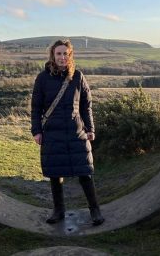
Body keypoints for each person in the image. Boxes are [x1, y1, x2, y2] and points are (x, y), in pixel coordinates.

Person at [30, 39, 105, 226]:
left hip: (76, 131)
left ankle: (95, 210)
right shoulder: (42, 78)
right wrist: (36, 131)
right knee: (55, 174)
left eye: (66, 54)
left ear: (70, 55)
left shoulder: (78, 77)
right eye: (58, 54)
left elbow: (86, 105)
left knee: (85, 173)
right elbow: (36, 107)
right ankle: (58, 211)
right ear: (52, 56)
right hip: (52, 133)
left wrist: (90, 129)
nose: (62, 57)